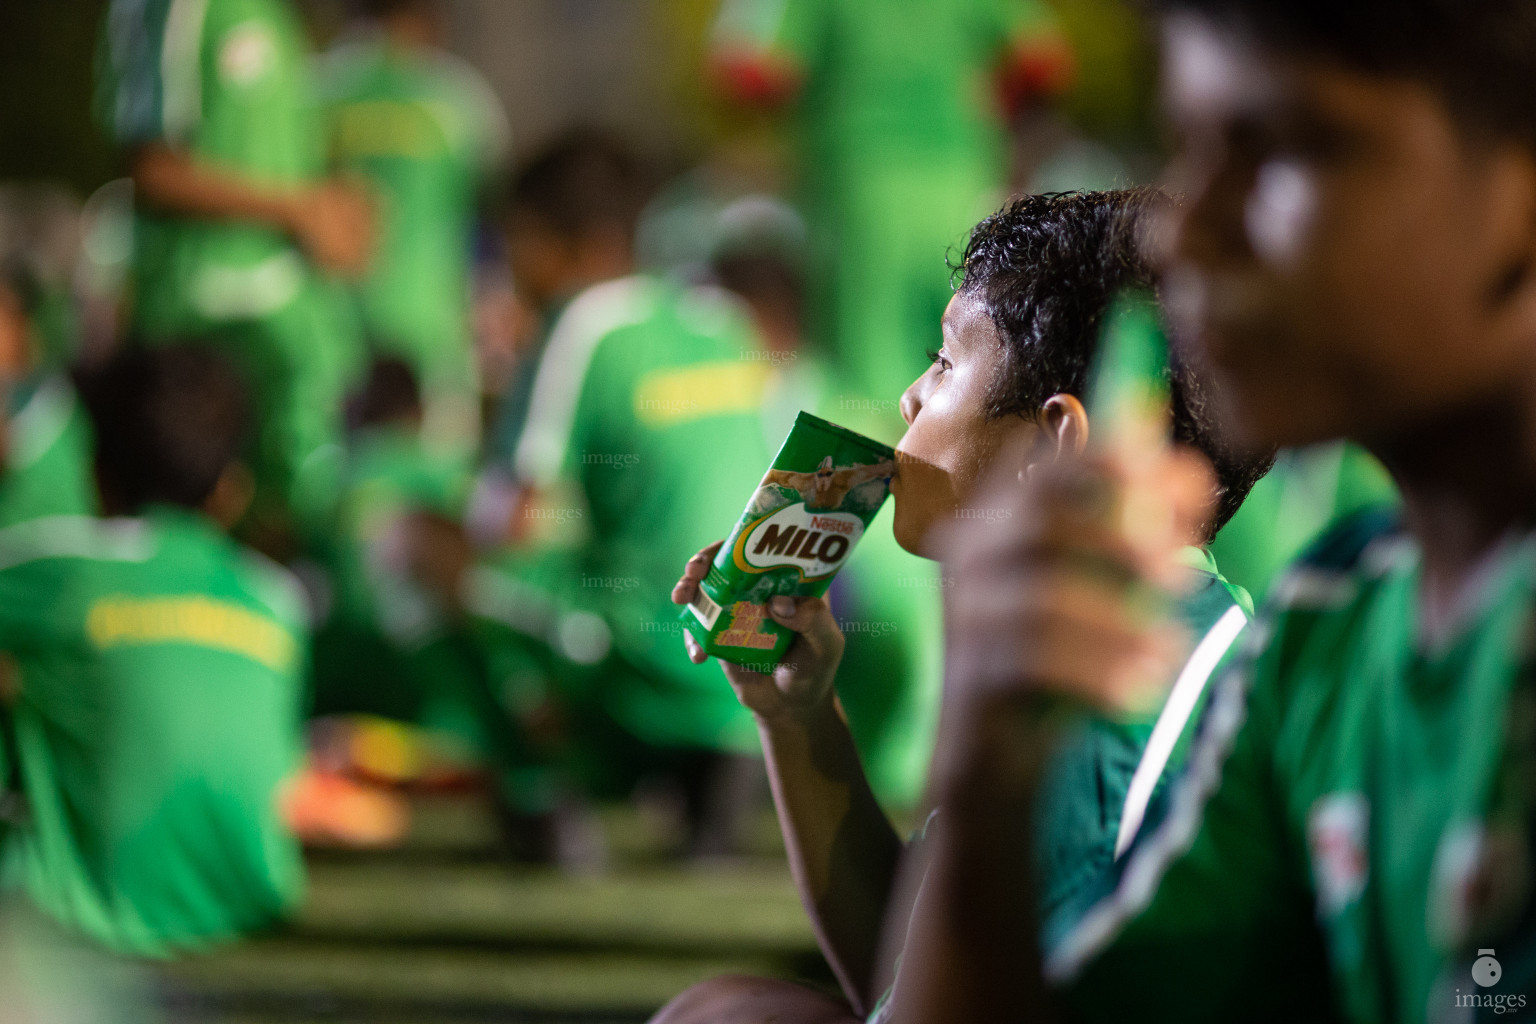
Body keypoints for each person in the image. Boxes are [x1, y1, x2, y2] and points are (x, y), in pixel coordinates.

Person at [889, 1, 1536, 1021]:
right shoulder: (1331, 630)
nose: (1187, 228)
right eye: (1190, 148)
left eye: (1284, 148)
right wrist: (983, 773)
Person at [653, 189, 1274, 1023]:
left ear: (1052, 444)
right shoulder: (1107, 622)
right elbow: (904, 965)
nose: (910, 398)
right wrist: (800, 719)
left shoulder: (1108, 697)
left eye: (945, 364)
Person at [478, 132, 777, 856]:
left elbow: (515, 523)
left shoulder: (582, 324)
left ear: (577, 246)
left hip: (645, 649)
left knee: (429, 559)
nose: (508, 267)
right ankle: (716, 760)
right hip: (754, 660)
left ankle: (541, 793)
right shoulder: (722, 318)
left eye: (518, 241)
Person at [0, 345, 306, 956]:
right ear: (232, 491)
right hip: (251, 894)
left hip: (80, 906)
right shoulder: (279, 600)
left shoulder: (51, 572)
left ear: (93, 471)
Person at [709, 0, 1076, 434]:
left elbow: (750, 69)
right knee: (967, 363)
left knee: (871, 386)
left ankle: (886, 496)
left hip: (863, 193)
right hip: (966, 186)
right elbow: (1047, 61)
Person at [95, 0, 374, 543]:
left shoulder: (283, 20)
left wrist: (338, 217)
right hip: (202, 323)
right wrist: (299, 209)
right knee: (185, 530)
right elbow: (153, 167)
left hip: (289, 329)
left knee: (290, 522)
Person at [318, 0, 510, 467]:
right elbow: (494, 219)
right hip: (436, 334)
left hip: (332, 332)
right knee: (437, 485)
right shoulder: (459, 98)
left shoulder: (316, 91)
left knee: (335, 485)